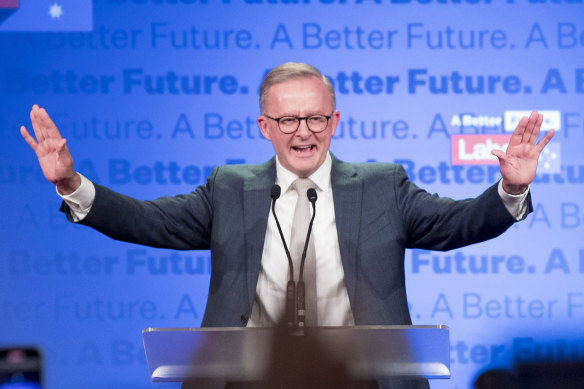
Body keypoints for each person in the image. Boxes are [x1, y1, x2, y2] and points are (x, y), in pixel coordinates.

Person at [21, 63, 554, 389]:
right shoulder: (230, 187)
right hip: (245, 381)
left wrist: (509, 190)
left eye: (316, 117)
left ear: (334, 121)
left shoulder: (382, 184)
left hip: (362, 380)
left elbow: (458, 224)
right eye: (288, 120)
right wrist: (70, 183)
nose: (304, 132)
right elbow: (146, 221)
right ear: (265, 127)